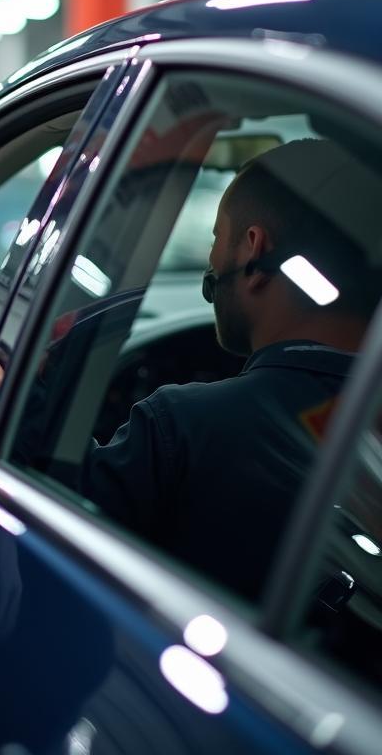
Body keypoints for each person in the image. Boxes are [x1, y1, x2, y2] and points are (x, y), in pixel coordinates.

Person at [82, 137, 381, 600]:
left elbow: (59, 509)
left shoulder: (181, 426)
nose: (211, 262)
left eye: (217, 239)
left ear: (252, 250)